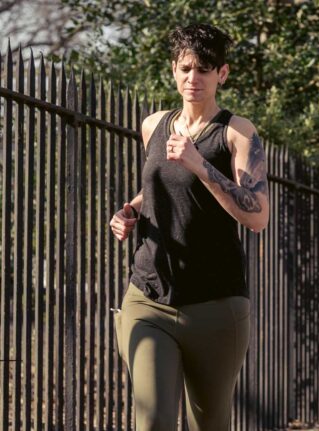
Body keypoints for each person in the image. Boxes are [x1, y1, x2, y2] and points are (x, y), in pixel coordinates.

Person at [109, 23, 269, 431]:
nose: (192, 78)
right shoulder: (154, 125)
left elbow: (257, 216)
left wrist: (200, 165)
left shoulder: (237, 133)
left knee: (209, 423)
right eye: (185, 68)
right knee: (152, 421)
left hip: (215, 305)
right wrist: (130, 210)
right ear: (173, 70)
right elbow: (162, 184)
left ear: (222, 74)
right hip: (149, 297)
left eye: (203, 69)